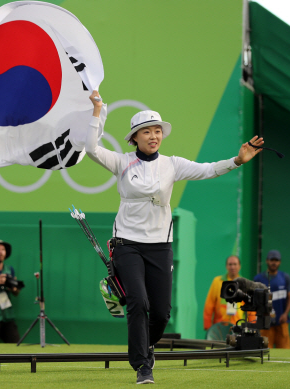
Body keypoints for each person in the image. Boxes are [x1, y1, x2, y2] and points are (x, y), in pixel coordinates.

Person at [85, 90, 263, 384]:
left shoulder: (172, 163)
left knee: (162, 312)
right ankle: (143, 364)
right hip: (126, 244)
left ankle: (147, 346)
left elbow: (207, 170)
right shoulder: (121, 162)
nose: (154, 136)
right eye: (146, 132)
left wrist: (238, 160)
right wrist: (97, 110)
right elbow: (91, 148)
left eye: (157, 131)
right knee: (138, 301)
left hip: (159, 247)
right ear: (134, 138)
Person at [254, 250, 290, 349]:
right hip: (265, 323)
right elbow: (256, 301)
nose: (274, 262)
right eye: (271, 260)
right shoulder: (258, 279)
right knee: (264, 350)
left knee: (285, 352)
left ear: (280, 262)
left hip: (281, 322)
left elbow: (289, 298)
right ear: (267, 261)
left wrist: (285, 314)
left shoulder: (285, 277)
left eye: (276, 260)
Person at [204, 255, 247, 331]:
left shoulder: (245, 284)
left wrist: (251, 327)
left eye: (235, 264)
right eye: (230, 264)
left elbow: (250, 309)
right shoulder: (217, 281)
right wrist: (207, 326)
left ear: (239, 266)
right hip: (220, 327)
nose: (232, 267)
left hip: (238, 327)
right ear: (226, 266)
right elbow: (209, 305)